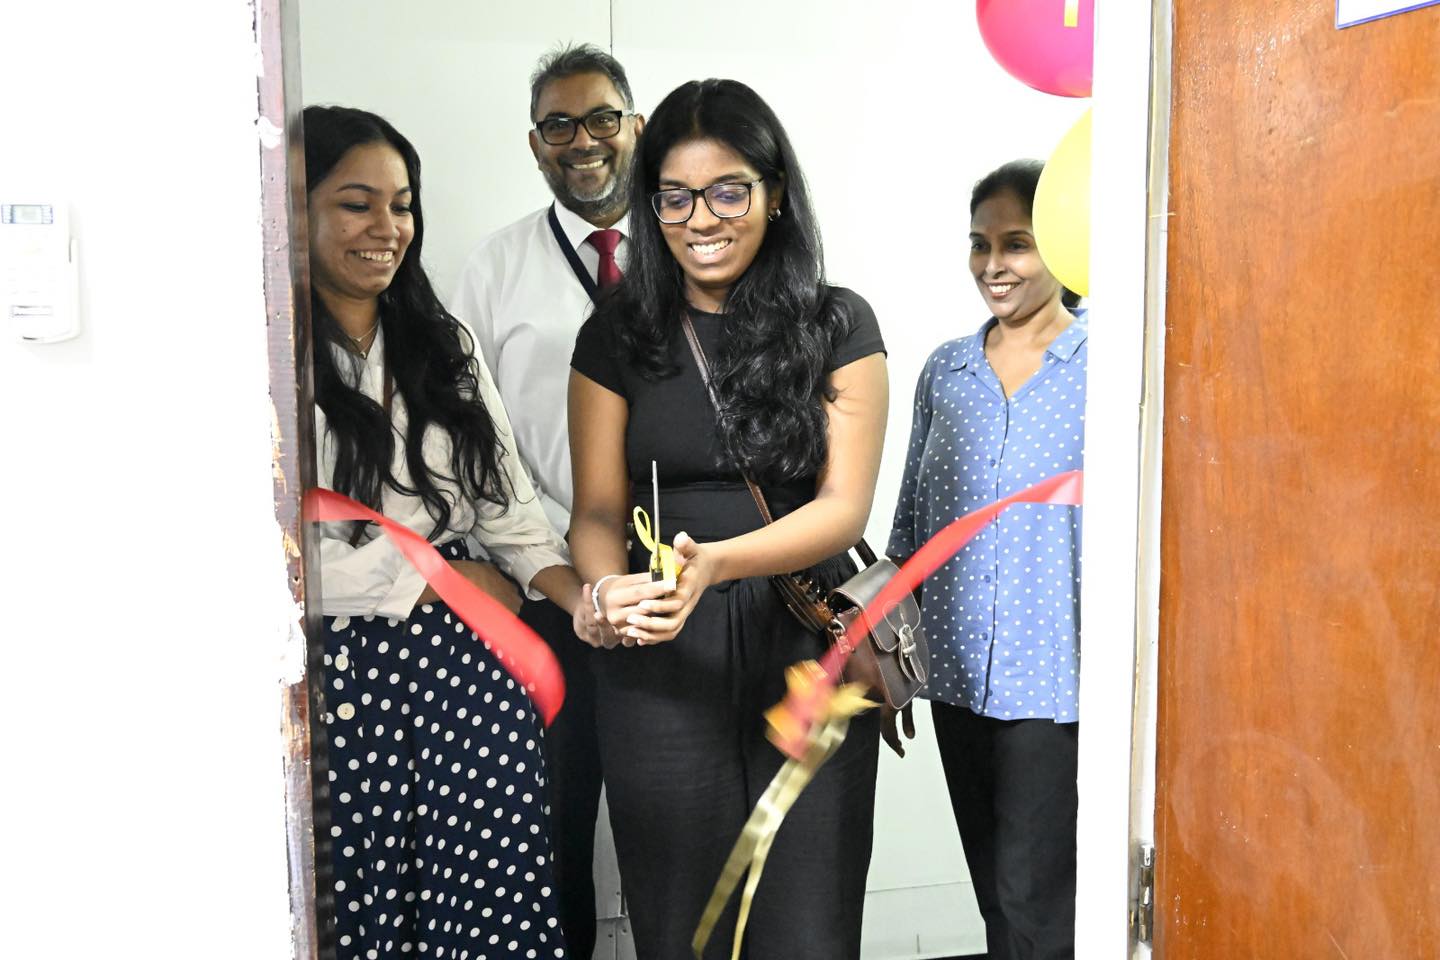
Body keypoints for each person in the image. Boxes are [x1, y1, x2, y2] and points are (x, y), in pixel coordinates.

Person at [567, 78, 888, 959]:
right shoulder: (617, 334)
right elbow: (596, 511)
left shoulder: (837, 324)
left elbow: (842, 509)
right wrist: (604, 590)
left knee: (810, 927)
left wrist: (716, 562)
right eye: (674, 196)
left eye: (728, 192)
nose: (700, 219)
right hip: (661, 659)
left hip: (808, 647)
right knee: (683, 926)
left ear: (774, 193)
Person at [307, 104, 594, 960]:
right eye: (356, 204)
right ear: (294, 207)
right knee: (364, 916)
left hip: (471, 672)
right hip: (341, 683)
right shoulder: (267, 355)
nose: (386, 228)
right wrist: (431, 579)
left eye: (401, 205)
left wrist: (584, 600)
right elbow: (268, 558)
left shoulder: (442, 342)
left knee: (488, 912)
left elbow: (509, 513)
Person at [447, 45, 644, 959]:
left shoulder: (689, 249)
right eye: (558, 125)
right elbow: (463, 436)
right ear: (535, 145)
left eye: (602, 118)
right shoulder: (493, 271)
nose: (583, 141)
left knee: (671, 812)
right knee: (553, 818)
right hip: (550, 586)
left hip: (678, 580)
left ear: (635, 126)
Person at [886, 159, 1087, 960]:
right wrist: (892, 663)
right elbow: (910, 529)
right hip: (956, 674)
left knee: (1038, 897)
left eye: (1017, 244)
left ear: (1061, 245)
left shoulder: (1105, 367)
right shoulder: (947, 371)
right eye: (980, 244)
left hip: (1057, 682)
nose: (994, 265)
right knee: (993, 896)